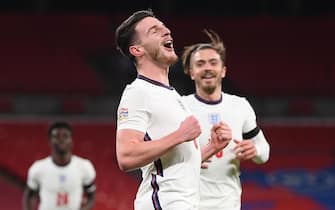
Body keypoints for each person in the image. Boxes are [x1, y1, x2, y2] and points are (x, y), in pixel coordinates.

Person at [115, 10, 232, 210]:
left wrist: (212, 147)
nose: (166, 31)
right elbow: (126, 156)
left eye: (164, 26)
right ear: (137, 50)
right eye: (154, 30)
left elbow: (173, 166)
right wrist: (180, 135)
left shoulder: (173, 96)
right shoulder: (138, 92)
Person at [182, 29, 270, 210]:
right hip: (188, 203)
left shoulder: (240, 106)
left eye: (213, 63)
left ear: (223, 71)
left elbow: (264, 151)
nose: (207, 68)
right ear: (191, 72)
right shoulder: (180, 107)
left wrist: (254, 150)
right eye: (200, 64)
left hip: (228, 203)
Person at [22, 122, 96, 210]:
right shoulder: (38, 169)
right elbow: (29, 196)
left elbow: (91, 196)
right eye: (56, 136)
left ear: (71, 140)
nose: (61, 139)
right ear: (49, 141)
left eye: (65, 136)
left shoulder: (84, 167)